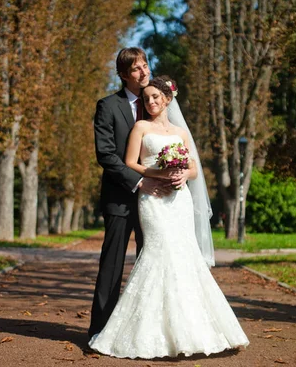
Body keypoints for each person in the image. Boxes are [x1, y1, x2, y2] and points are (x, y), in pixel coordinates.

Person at [88, 76, 249, 359]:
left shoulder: (180, 132)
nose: (150, 102)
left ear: (167, 99)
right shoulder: (141, 127)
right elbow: (130, 163)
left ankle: (191, 330)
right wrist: (156, 173)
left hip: (179, 201)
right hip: (152, 199)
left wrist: (183, 174)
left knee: (185, 257)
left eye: (155, 97)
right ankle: (146, 333)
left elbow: (194, 169)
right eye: (147, 98)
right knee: (156, 253)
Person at [88, 48, 172, 339]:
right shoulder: (108, 106)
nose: (143, 71)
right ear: (124, 75)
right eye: (136, 69)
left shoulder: (160, 105)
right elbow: (106, 154)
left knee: (150, 266)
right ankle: (99, 333)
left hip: (158, 201)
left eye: (145, 65)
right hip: (120, 199)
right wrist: (138, 182)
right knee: (112, 266)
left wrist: (175, 173)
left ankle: (144, 333)